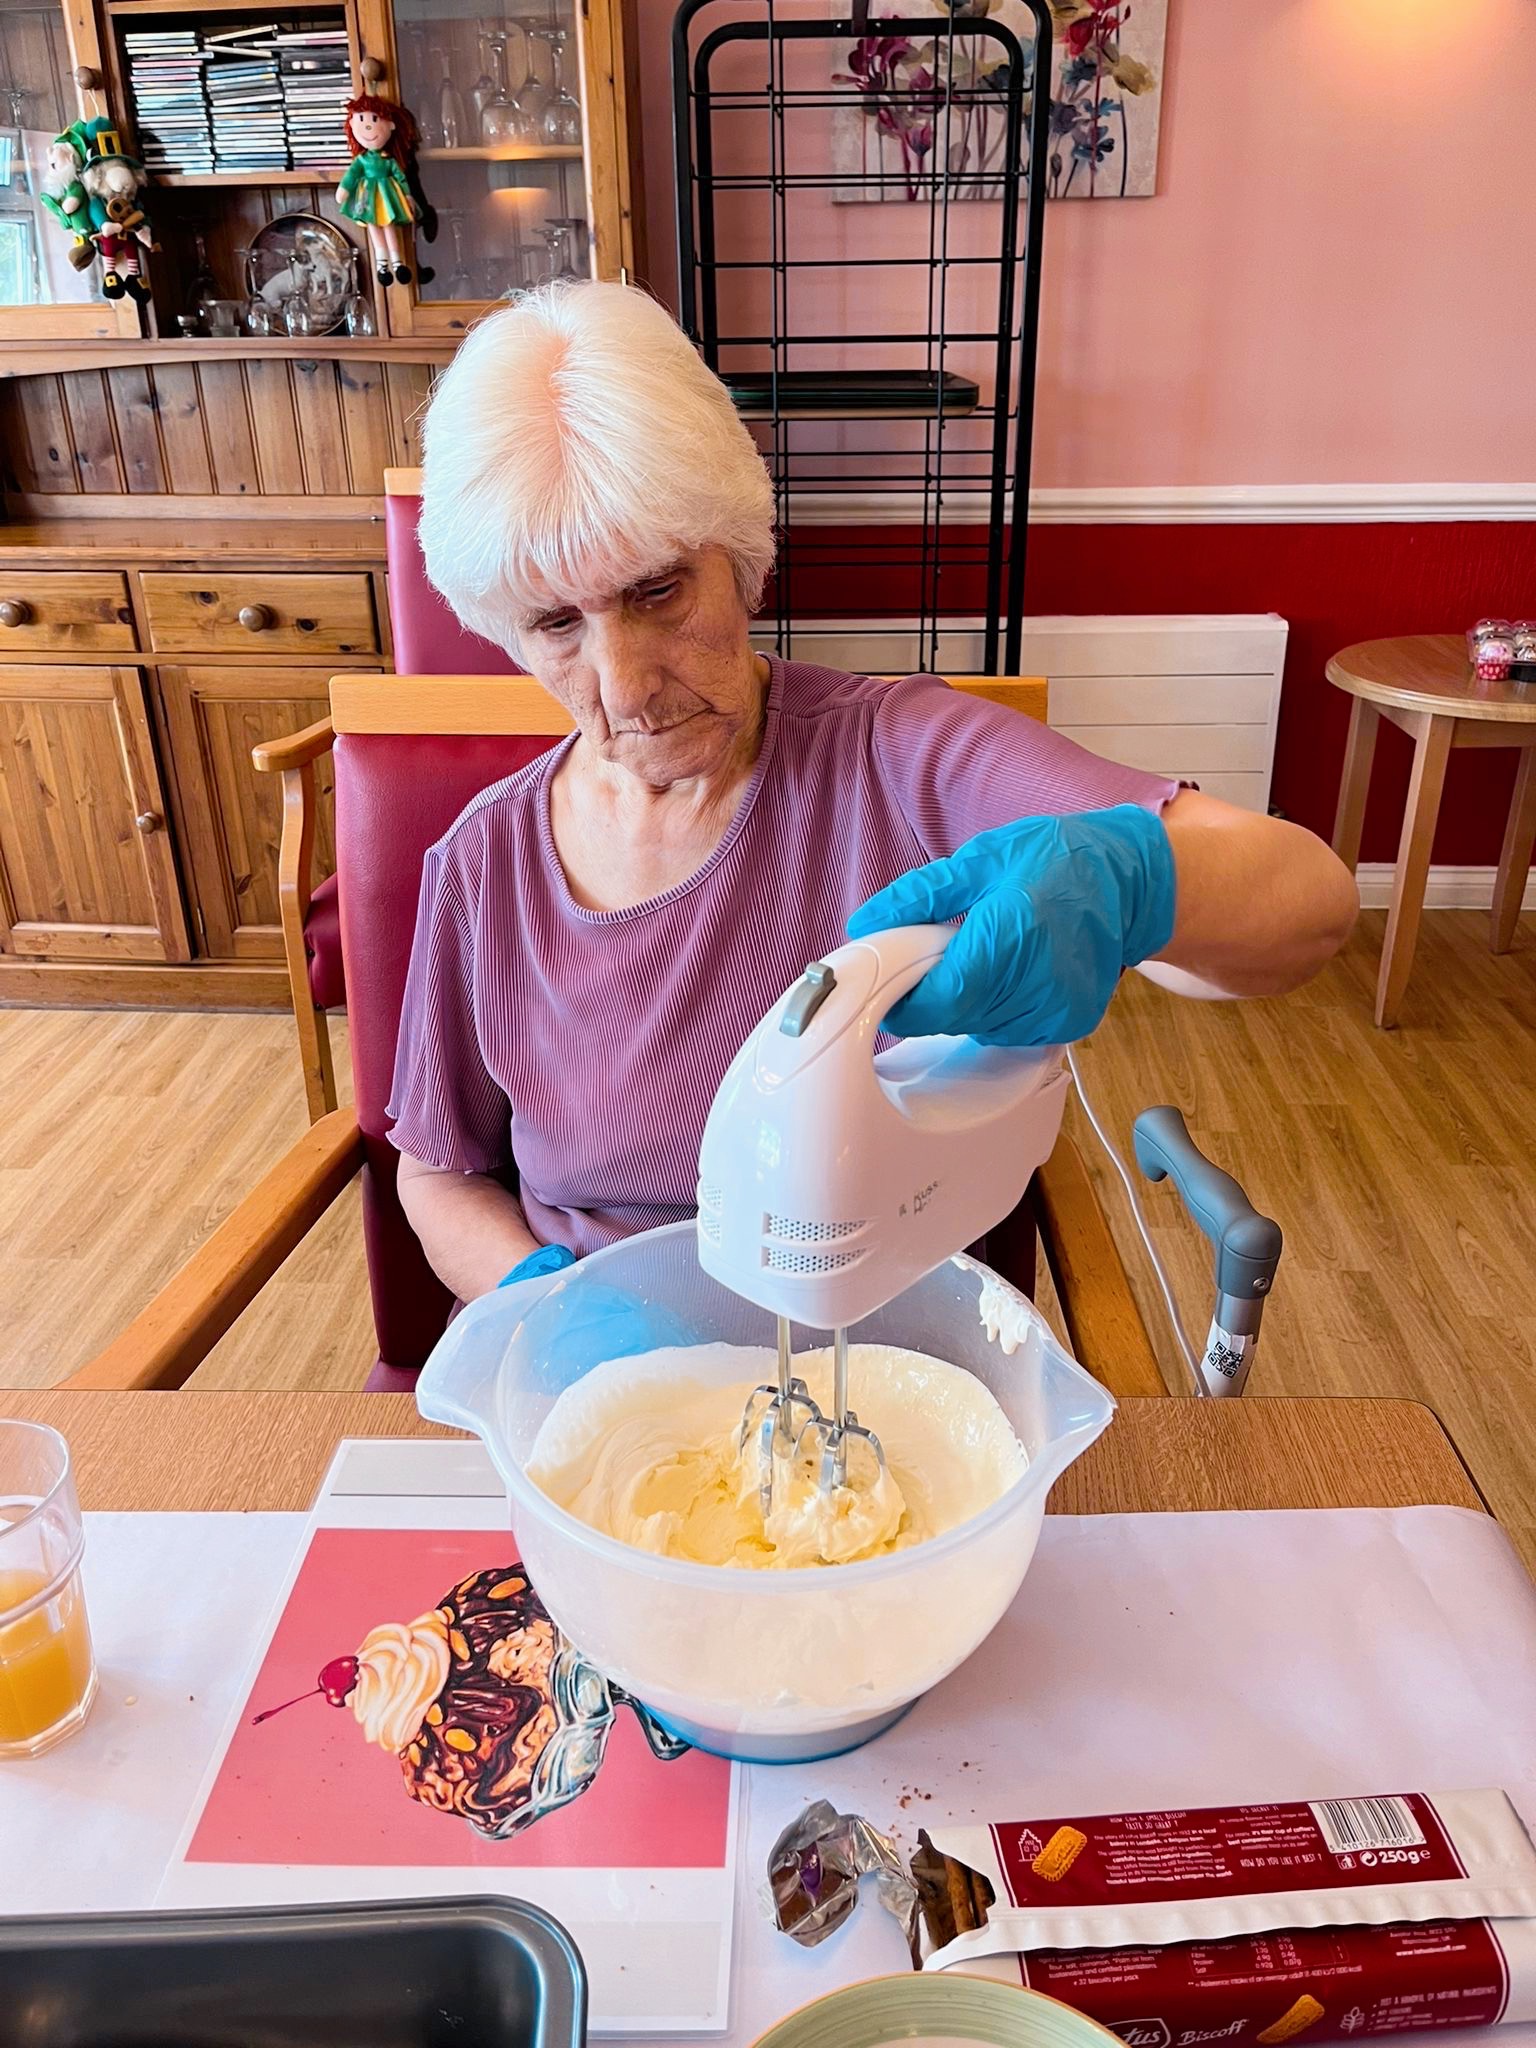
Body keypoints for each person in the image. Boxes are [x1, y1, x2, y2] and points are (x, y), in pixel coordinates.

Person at [391, 282, 1357, 1304]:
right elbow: (439, 1170)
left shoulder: (902, 758)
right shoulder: (485, 864)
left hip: (887, 1359)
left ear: (740, 559)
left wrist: (1133, 884)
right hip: (601, 1366)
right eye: (557, 625)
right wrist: (543, 1305)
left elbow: (1313, 903)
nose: (625, 686)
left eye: (658, 591)